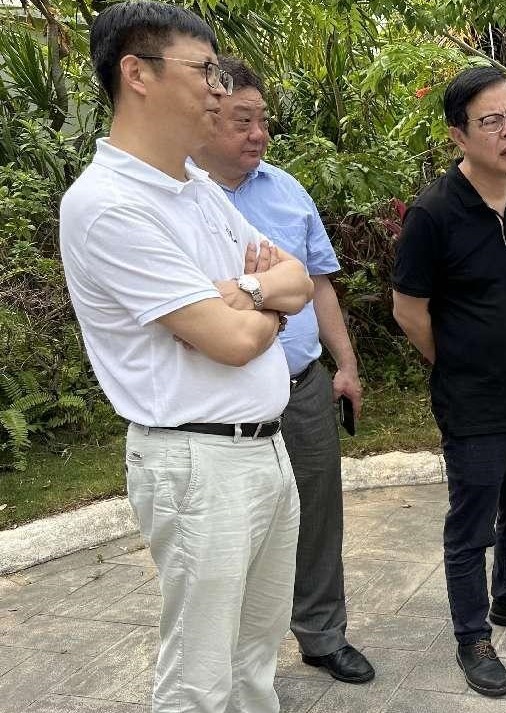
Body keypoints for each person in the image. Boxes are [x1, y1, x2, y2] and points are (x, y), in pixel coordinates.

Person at [59, 2, 314, 711]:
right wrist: (266, 306)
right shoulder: (109, 205)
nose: (217, 89)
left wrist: (246, 292)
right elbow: (233, 342)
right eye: (204, 70)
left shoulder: (195, 188)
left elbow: (297, 279)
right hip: (197, 461)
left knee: (255, 657)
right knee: (199, 677)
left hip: (263, 449)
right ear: (136, 73)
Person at [191, 55, 374, 685]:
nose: (258, 134)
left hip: (303, 387)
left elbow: (318, 285)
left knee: (318, 514)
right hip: (224, 397)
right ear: (207, 117)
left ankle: (322, 635)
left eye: (263, 120)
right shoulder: (181, 199)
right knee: (234, 533)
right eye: (242, 121)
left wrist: (344, 364)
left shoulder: (287, 190)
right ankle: (238, 661)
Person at [391, 65, 506, 698]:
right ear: (458, 135)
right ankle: (473, 636)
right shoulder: (434, 213)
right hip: (473, 402)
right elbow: (408, 309)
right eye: (491, 121)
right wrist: (458, 363)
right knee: (471, 526)